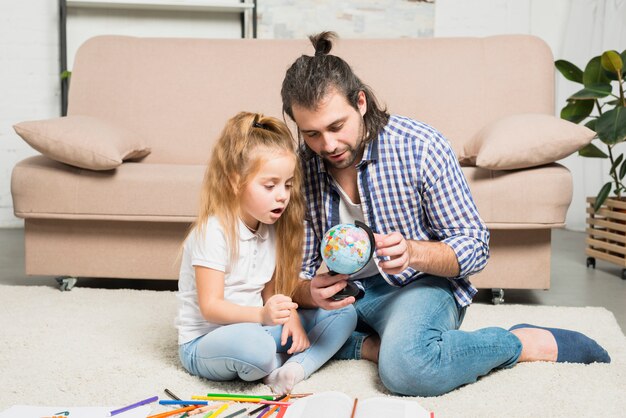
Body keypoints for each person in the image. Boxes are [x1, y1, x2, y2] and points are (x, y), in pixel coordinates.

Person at [281, 32, 611, 397]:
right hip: (347, 297)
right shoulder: (302, 167)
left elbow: (474, 246)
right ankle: (374, 346)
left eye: (336, 127)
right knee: (266, 340)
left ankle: (519, 343)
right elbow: (298, 271)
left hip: (417, 286)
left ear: (360, 102)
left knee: (409, 370)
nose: (327, 146)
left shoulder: (421, 146)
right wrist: (309, 292)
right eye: (311, 134)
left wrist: (413, 252)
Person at [175, 111, 357, 395]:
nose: (282, 195)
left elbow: (270, 290)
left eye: (287, 184)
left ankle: (292, 370)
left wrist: (290, 316)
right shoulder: (213, 231)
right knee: (256, 348)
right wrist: (263, 315)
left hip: (259, 325)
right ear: (235, 182)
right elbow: (210, 306)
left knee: (344, 314)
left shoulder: (269, 226)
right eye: (270, 186)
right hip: (208, 340)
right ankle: (278, 361)